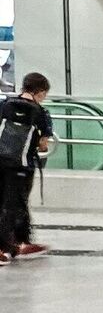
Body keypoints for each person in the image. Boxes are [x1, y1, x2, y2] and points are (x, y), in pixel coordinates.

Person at [0, 71, 55, 265]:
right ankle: (5, 248)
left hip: (0, 161)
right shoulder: (41, 113)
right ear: (40, 92)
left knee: (5, 202)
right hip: (22, 165)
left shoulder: (5, 104)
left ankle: (21, 241)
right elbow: (43, 144)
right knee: (14, 204)